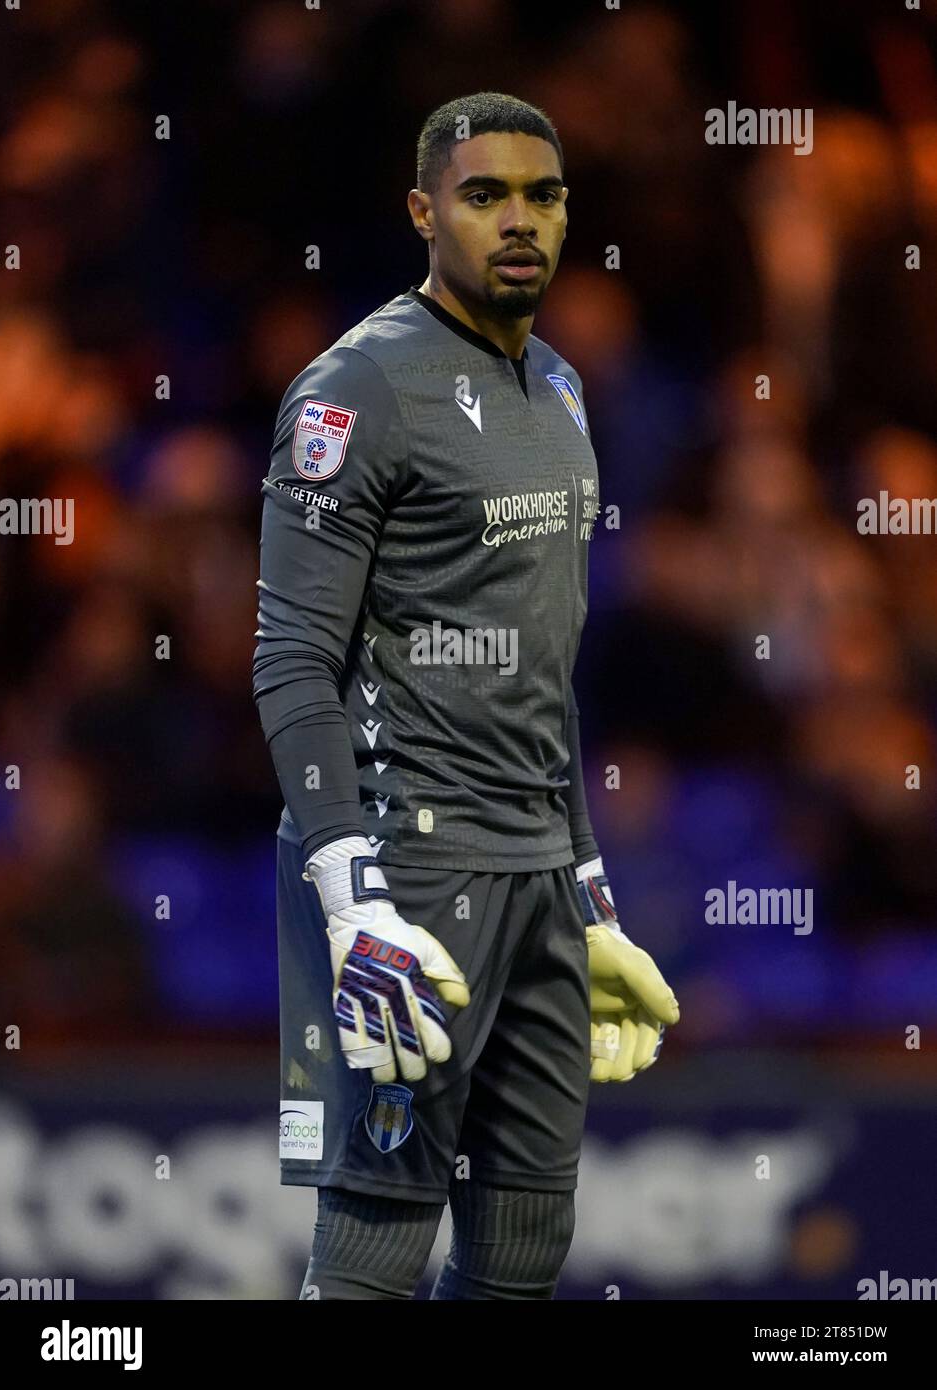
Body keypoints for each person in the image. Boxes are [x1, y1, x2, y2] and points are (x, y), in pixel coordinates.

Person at [253, 90, 680, 1301]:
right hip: (403, 866)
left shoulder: (561, 388)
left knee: (524, 1253)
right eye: (483, 194)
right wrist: (348, 901)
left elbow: (542, 659)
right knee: (378, 1244)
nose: (517, 220)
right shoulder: (356, 392)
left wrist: (587, 886)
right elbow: (290, 659)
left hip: (538, 872)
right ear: (421, 211)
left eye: (541, 195)